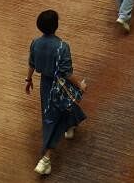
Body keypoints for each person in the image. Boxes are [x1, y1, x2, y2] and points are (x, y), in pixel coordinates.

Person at [26, 10, 87, 176]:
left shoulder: (35, 43)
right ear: (56, 26)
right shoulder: (62, 46)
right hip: (61, 85)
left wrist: (28, 79)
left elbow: (31, 63)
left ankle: (71, 126)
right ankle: (45, 158)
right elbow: (66, 73)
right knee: (53, 120)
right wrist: (80, 86)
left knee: (52, 113)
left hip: (45, 86)